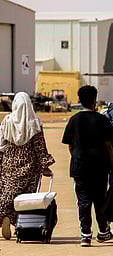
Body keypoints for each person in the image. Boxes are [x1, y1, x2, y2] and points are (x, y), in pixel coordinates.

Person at [62, 85, 113, 247]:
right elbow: (108, 146)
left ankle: (85, 235)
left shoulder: (73, 120)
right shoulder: (101, 119)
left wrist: (77, 158)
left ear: (79, 100)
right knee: (99, 199)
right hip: (99, 167)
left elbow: (70, 145)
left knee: (83, 201)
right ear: (94, 100)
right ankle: (103, 231)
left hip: (79, 167)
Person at [0, 92, 55, 240]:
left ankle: (4, 216)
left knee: (6, 194)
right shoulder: (35, 123)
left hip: (8, 166)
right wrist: (45, 166)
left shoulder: (7, 121)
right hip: (29, 168)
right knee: (25, 200)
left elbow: (1, 145)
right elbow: (40, 147)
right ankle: (20, 224)